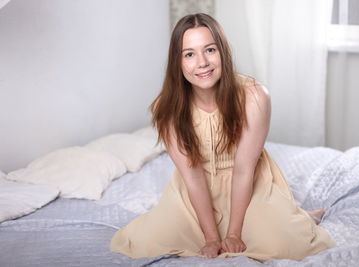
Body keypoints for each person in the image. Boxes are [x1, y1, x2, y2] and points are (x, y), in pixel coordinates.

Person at [110, 13, 335, 261]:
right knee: (145, 242)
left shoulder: (254, 96)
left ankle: (299, 216)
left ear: (223, 52)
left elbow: (243, 169)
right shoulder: (166, 108)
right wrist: (212, 239)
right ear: (178, 62)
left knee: (286, 245)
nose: (202, 62)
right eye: (189, 54)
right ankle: (286, 216)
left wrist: (234, 234)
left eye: (210, 50)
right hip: (196, 189)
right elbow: (192, 176)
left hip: (248, 184)